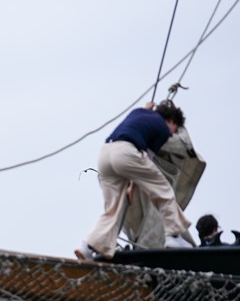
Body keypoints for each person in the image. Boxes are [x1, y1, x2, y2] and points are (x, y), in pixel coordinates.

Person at [76, 101, 195, 260]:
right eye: (175, 128)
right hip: (127, 152)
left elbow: (138, 168)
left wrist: (131, 186)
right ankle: (173, 236)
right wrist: (134, 184)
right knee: (163, 191)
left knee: (113, 208)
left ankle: (88, 247)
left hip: (105, 154)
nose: (173, 133)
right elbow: (147, 159)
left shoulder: (139, 112)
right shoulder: (162, 129)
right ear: (171, 121)